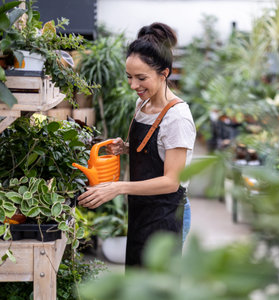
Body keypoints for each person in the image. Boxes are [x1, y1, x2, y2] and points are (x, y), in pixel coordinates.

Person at [78, 22, 196, 267]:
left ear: (164, 73)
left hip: (167, 214)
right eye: (129, 77)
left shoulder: (177, 117)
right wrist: (128, 148)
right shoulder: (142, 105)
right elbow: (157, 149)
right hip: (142, 209)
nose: (133, 86)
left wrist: (118, 187)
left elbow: (171, 181)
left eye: (141, 78)